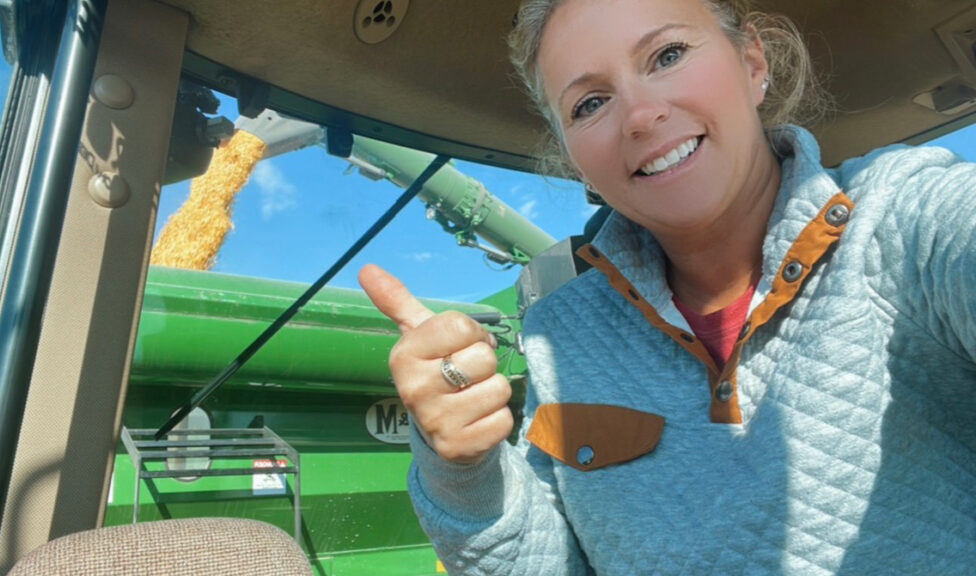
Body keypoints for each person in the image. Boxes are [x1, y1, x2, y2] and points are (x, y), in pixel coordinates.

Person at [358, 0, 976, 573]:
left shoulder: (901, 221)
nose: (641, 116)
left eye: (668, 55)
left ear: (753, 63)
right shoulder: (560, 332)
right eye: (589, 104)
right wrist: (462, 472)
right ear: (576, 159)